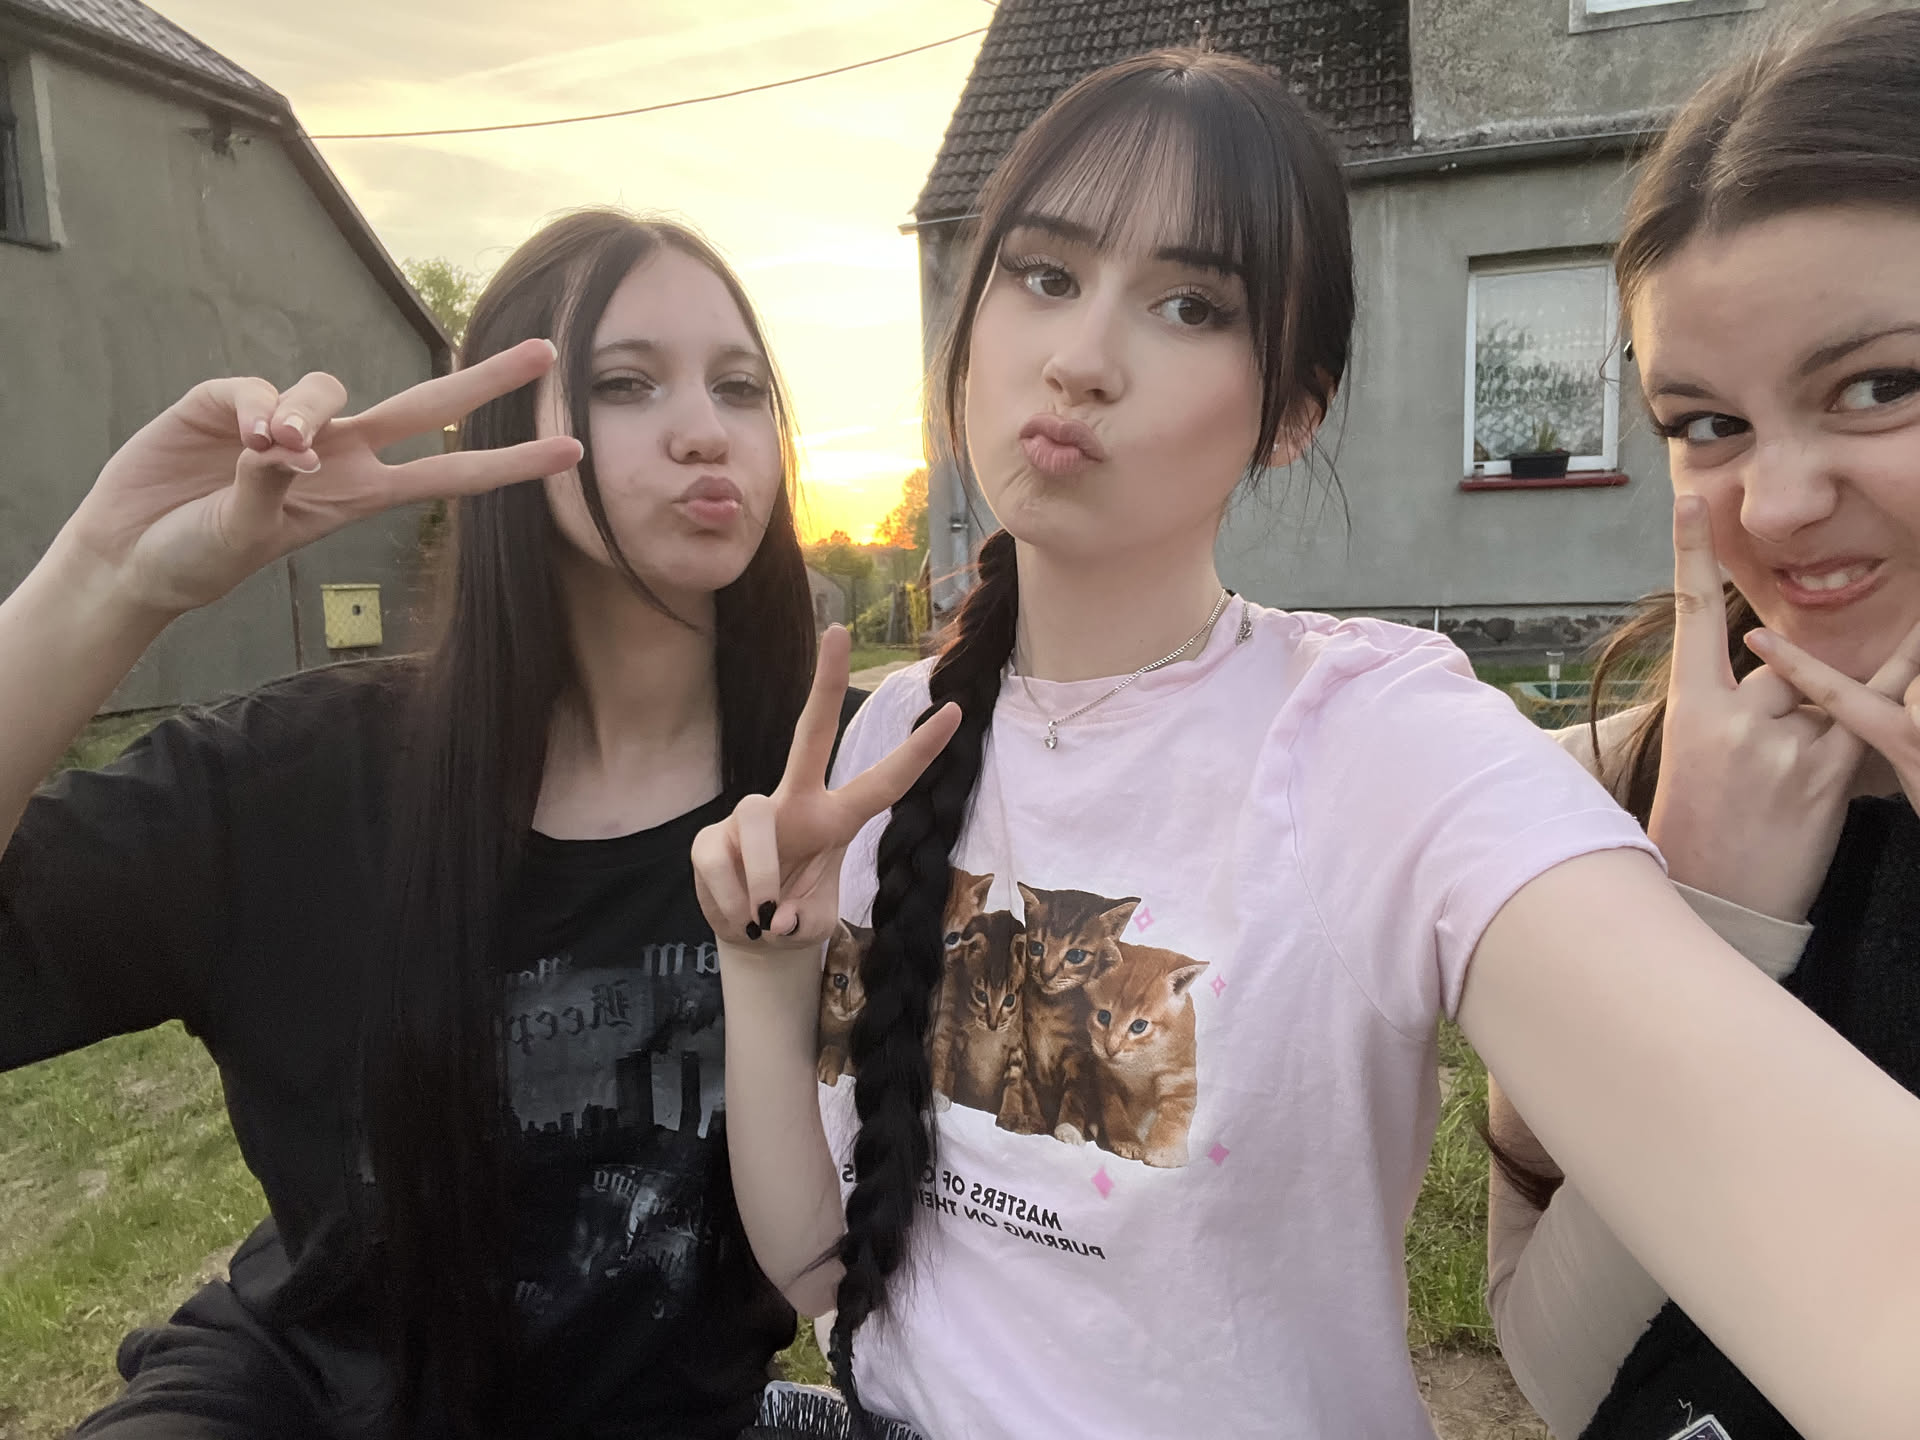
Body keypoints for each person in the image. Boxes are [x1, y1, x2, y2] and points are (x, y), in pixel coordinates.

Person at [683, 47, 1920, 1440]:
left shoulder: (1376, 739)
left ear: (1292, 413)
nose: (1080, 359)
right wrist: (763, 969)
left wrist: (1711, 915)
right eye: (1044, 274)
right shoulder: (895, 740)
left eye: (1189, 305)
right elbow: (826, 1274)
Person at [0, 210, 828, 1438]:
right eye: (624, 383)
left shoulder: (835, 798)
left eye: (740, 386)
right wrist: (108, 580)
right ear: (499, 436)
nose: (706, 429)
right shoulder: (301, 778)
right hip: (293, 1403)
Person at [1485, 11, 1920, 1438]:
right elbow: (1555, 1370)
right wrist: (1703, 928)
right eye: (1706, 423)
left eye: (1881, 386)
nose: (1776, 507)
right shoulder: (1622, 788)